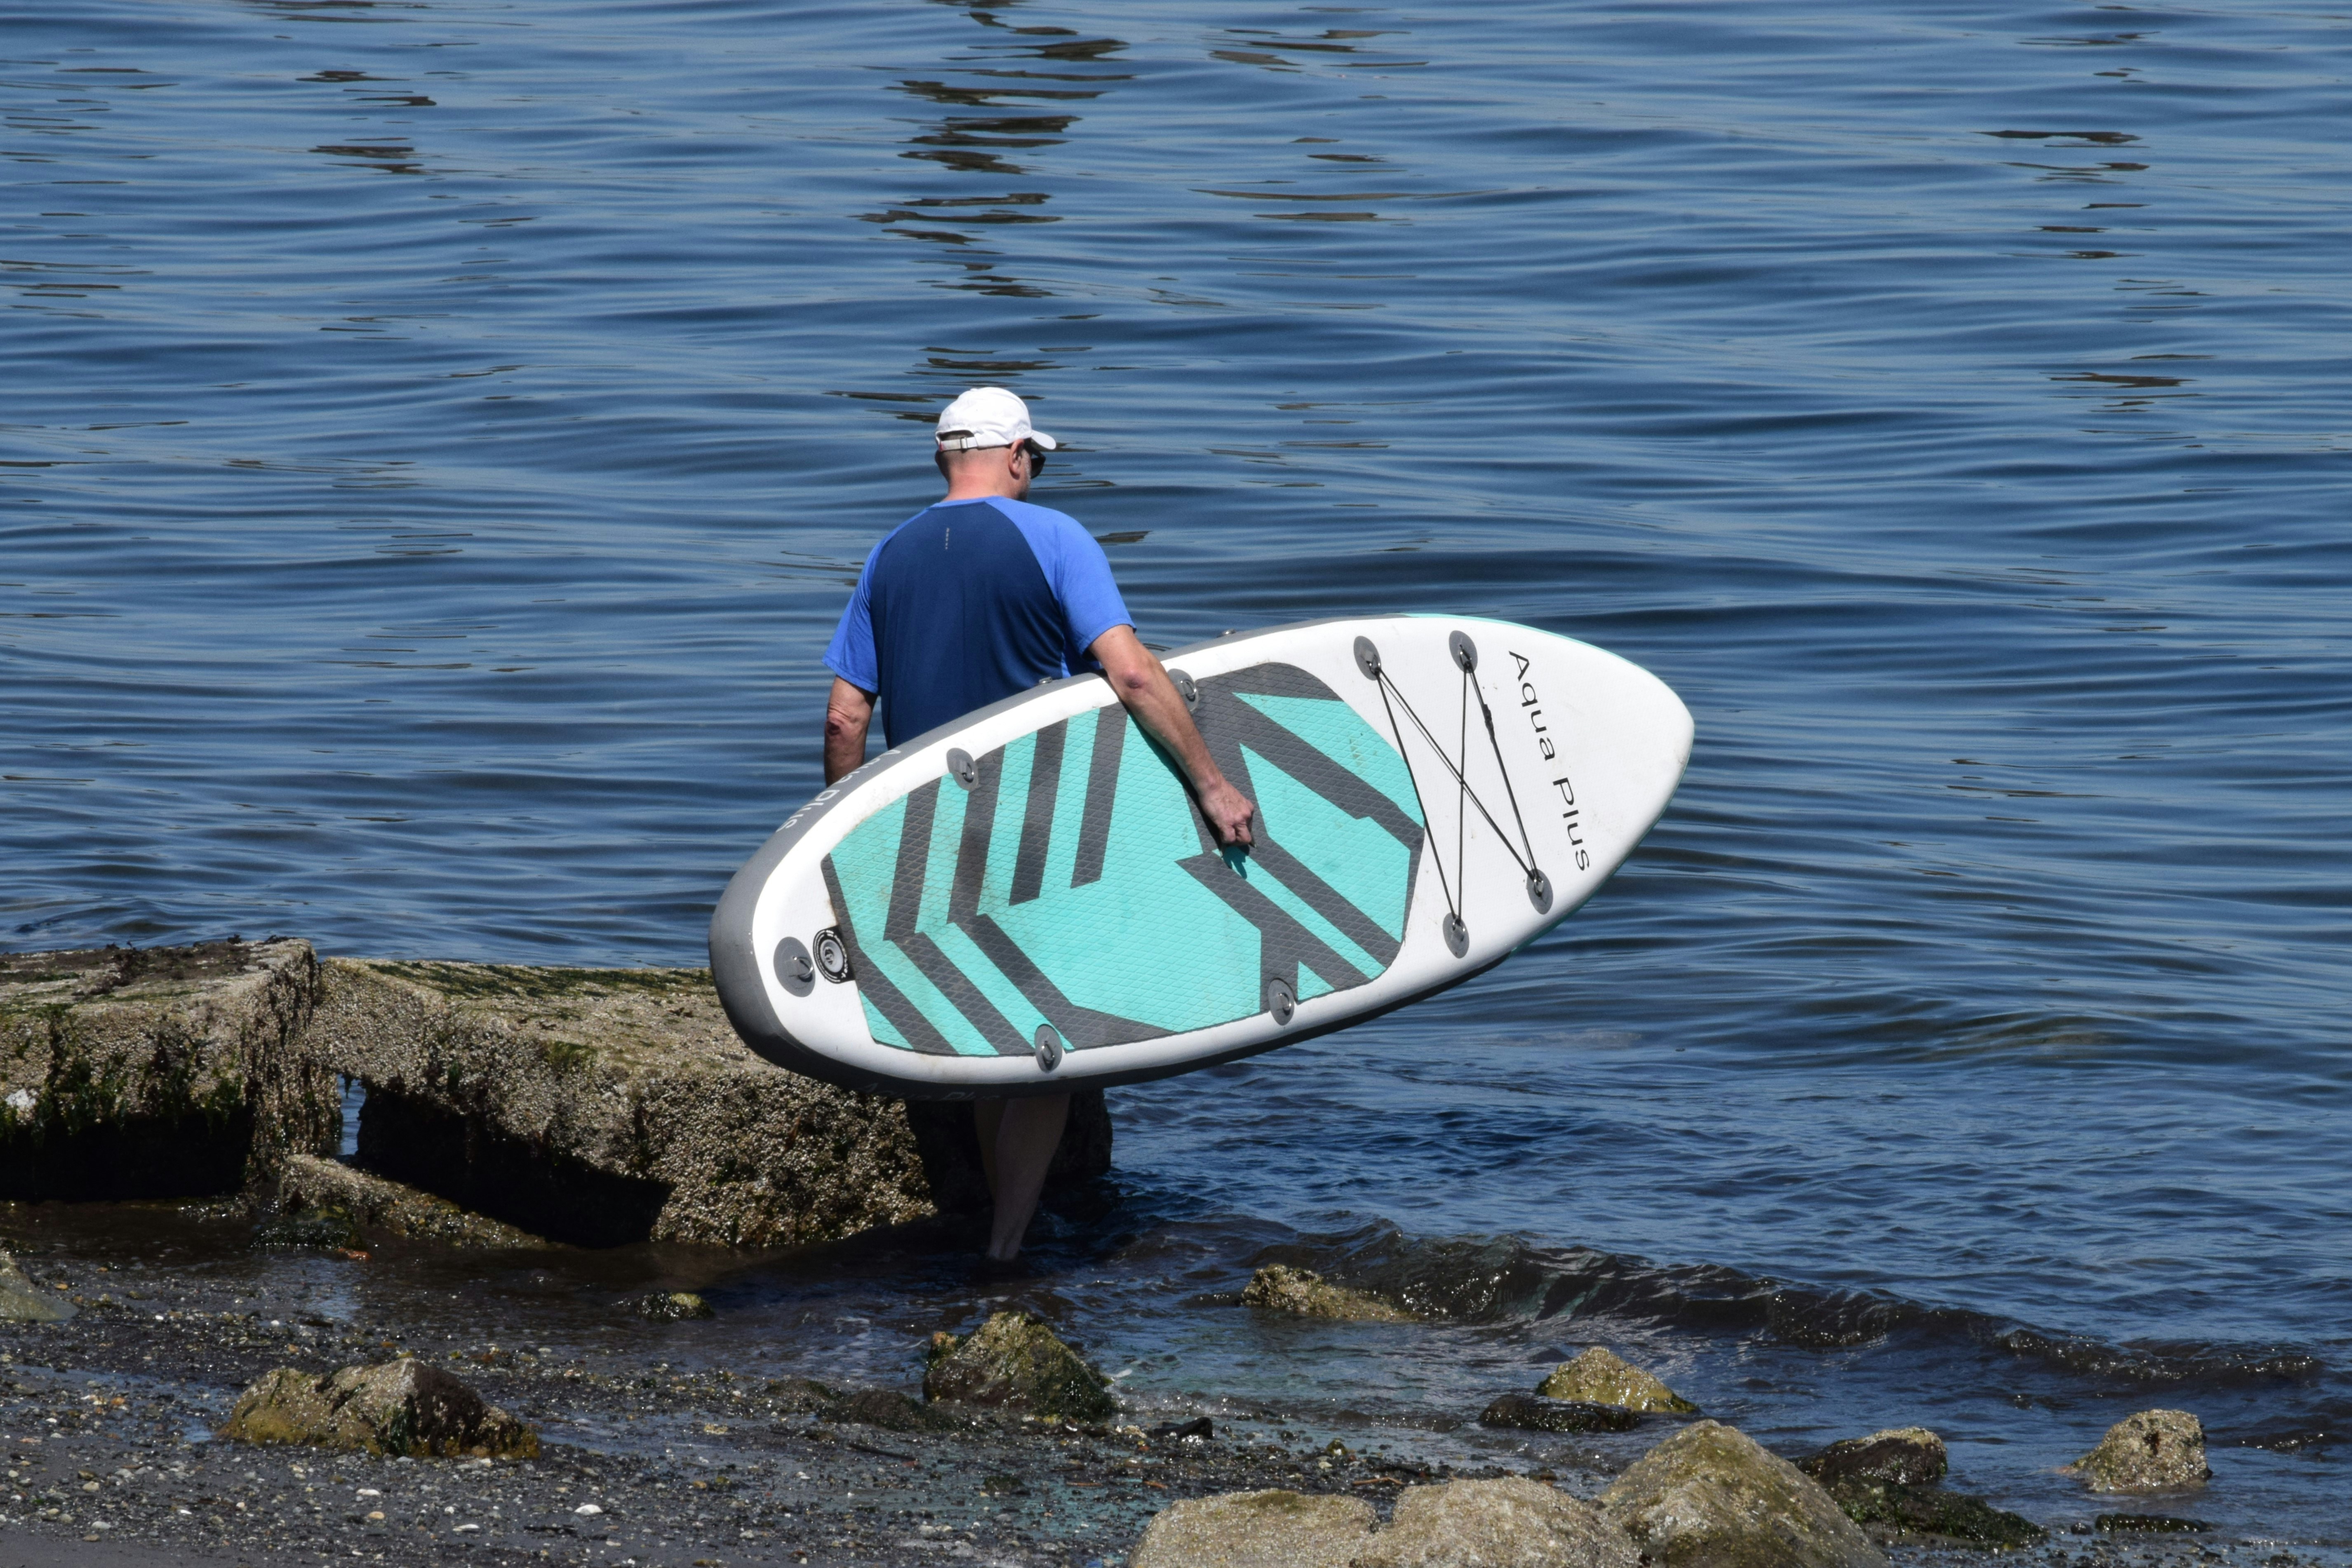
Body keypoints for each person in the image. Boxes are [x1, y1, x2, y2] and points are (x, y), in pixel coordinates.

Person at [820, 386, 1256, 1262]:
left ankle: (995, 1224)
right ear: (1014, 455)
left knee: (987, 1024)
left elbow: (843, 718)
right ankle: (1008, 1245)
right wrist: (1210, 783)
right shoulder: (1055, 537)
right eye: (1036, 460)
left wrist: (849, 839)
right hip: (1045, 828)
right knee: (1062, 1035)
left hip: (928, 831)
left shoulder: (885, 557)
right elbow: (1131, 676)